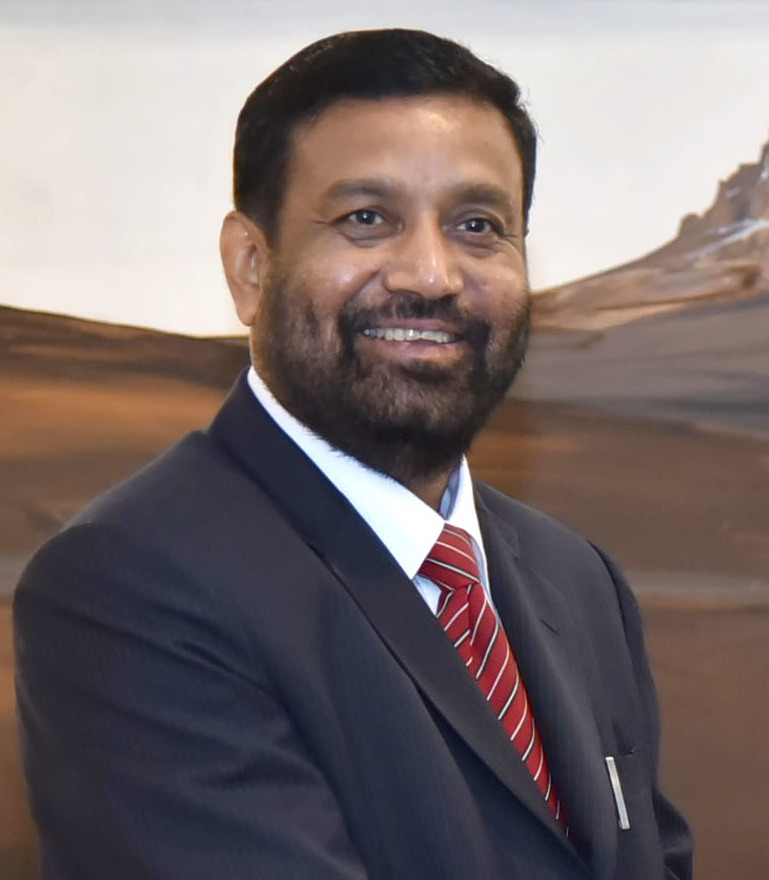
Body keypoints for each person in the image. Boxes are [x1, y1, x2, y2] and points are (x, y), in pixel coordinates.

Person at [14, 29, 692, 880]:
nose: (430, 274)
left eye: (478, 225)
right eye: (365, 219)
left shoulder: (578, 580)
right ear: (250, 266)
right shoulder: (130, 588)